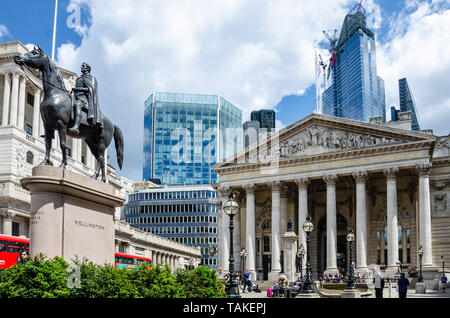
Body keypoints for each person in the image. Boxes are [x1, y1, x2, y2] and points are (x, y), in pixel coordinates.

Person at [69, 62, 103, 134]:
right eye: (82, 66)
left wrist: (76, 89)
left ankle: (76, 126)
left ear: (87, 68)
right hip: (76, 97)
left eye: (83, 66)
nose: (81, 67)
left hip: (84, 99)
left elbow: (91, 90)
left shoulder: (92, 78)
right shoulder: (79, 78)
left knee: (77, 105)